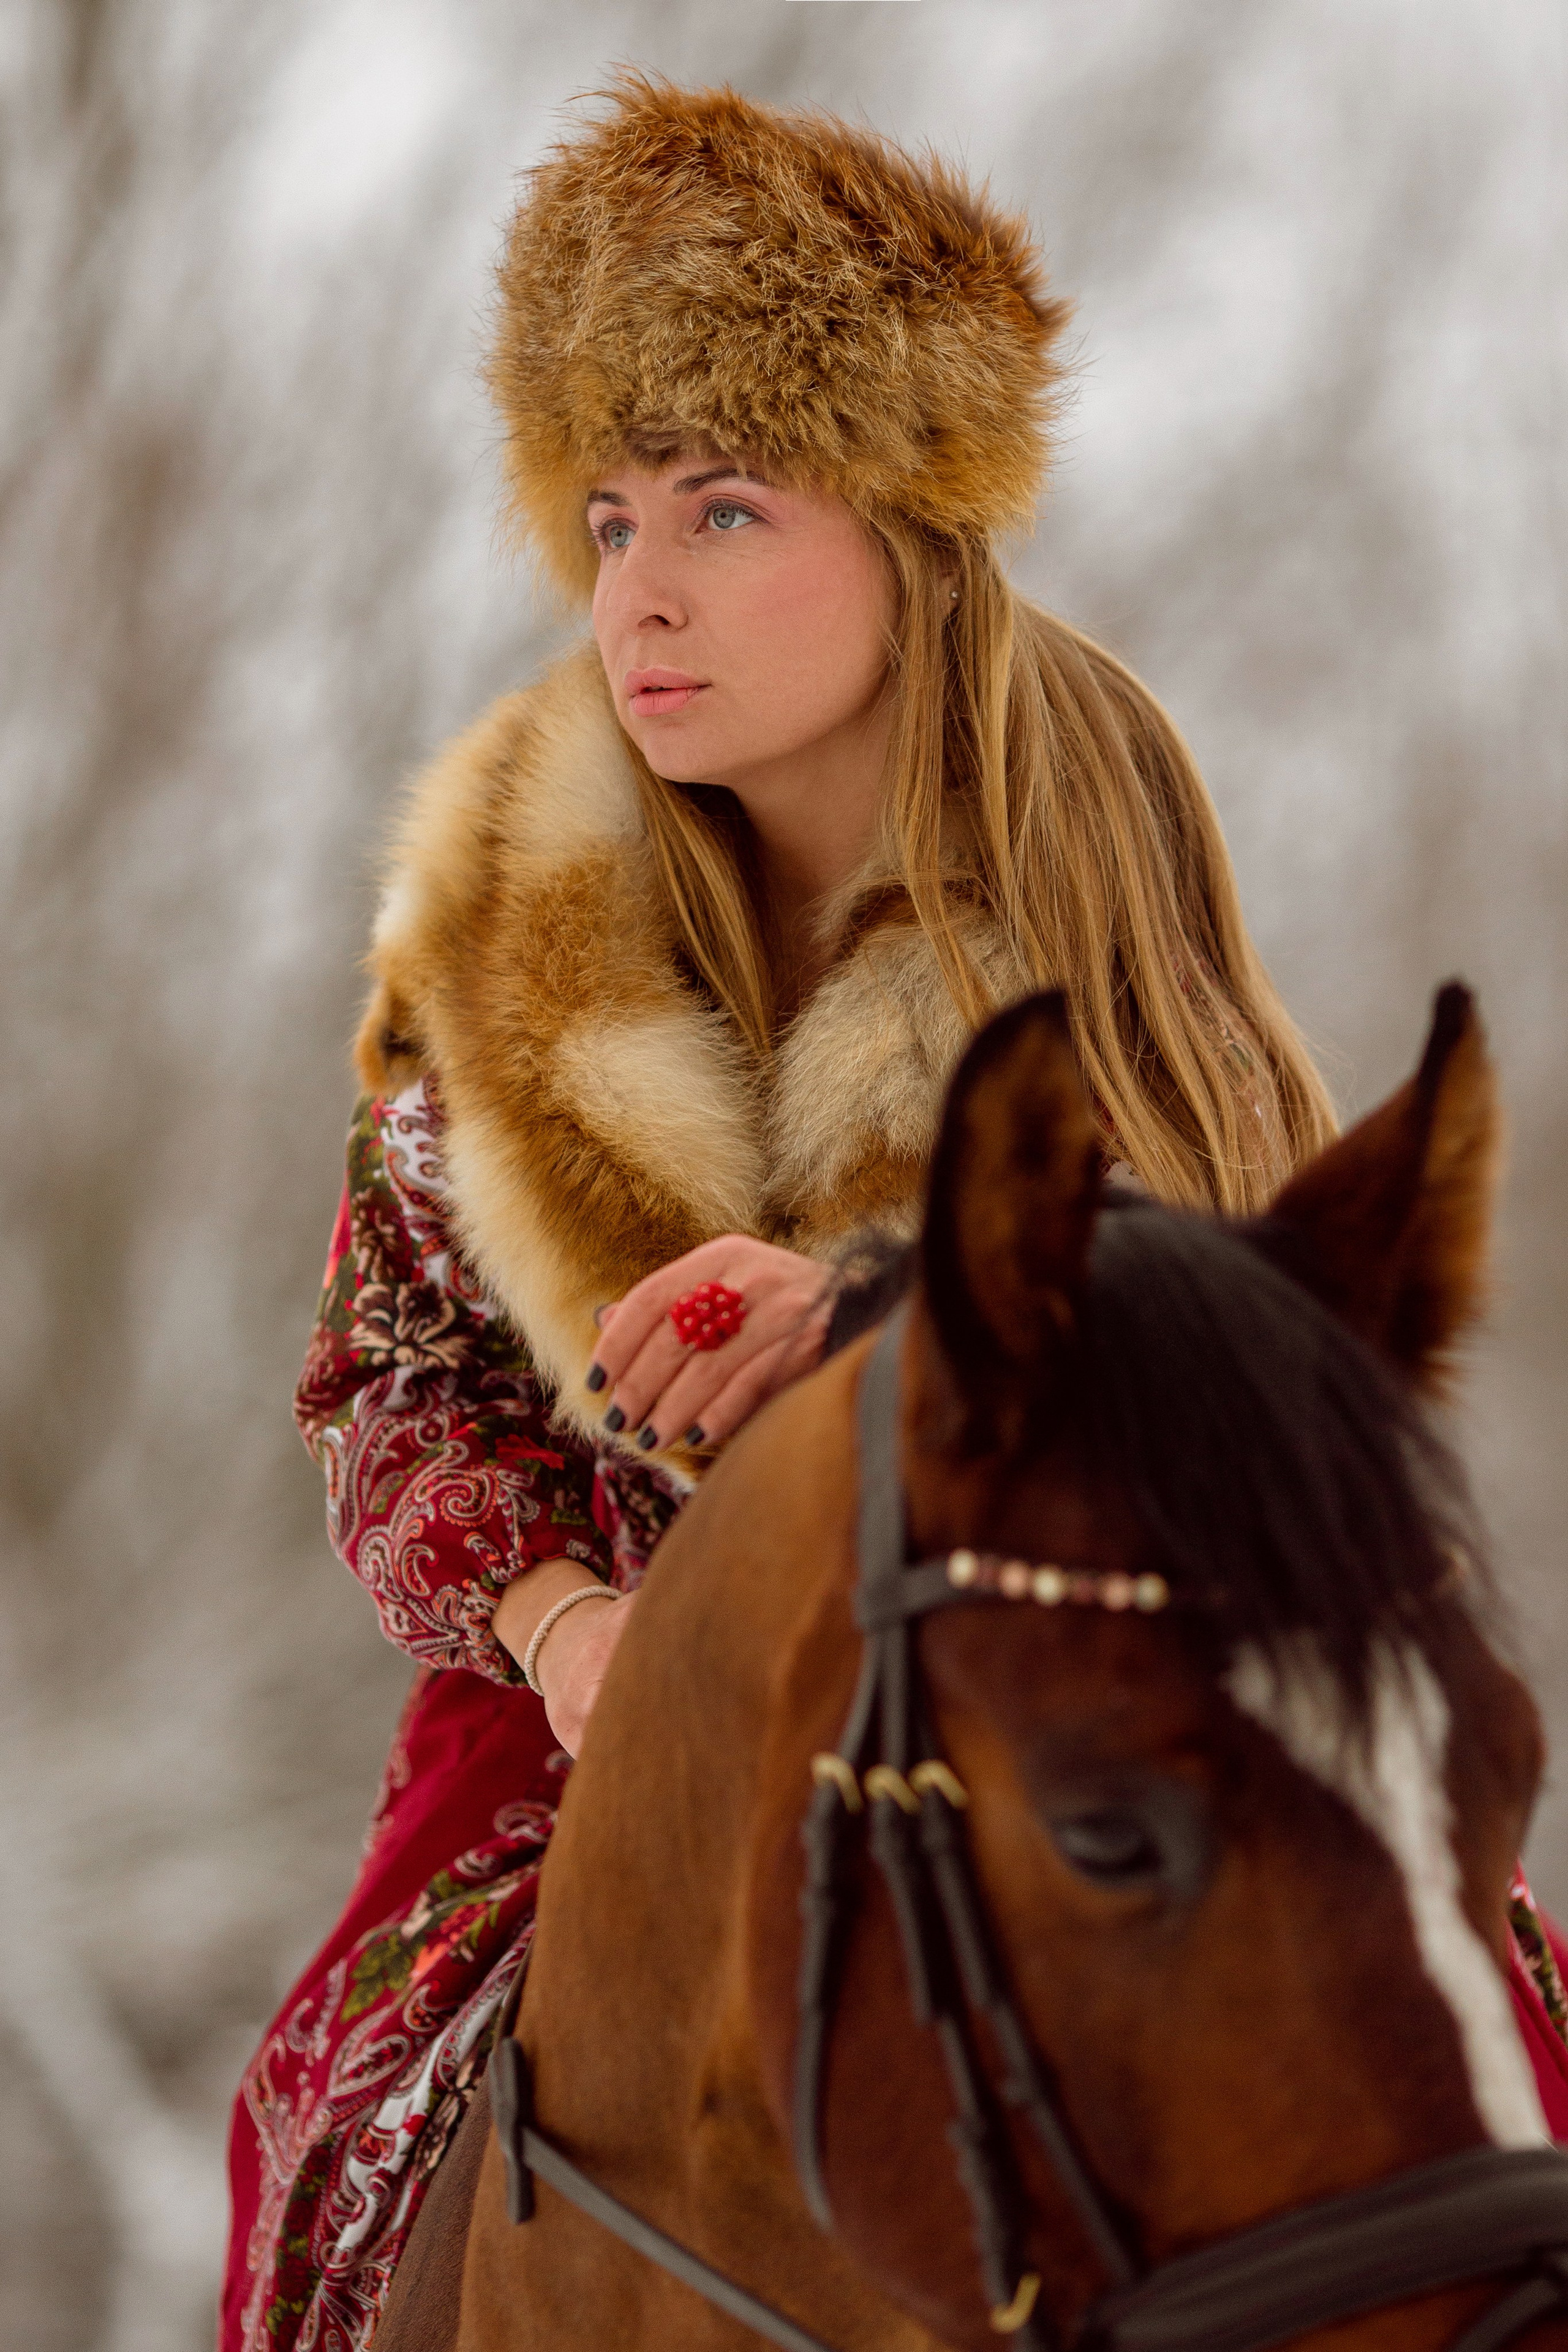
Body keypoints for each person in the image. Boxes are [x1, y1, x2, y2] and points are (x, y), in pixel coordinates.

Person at [220, 74, 1568, 2352]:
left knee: (1482, 2082)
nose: (640, 587)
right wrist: (573, 1637)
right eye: (614, 513)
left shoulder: (1104, 874)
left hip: (1079, 1690)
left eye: (727, 508)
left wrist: (877, 1312)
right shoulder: (498, 933)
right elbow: (384, 1388)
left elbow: (1243, 1352)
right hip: (586, 1752)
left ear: (914, 523)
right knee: (334, 2141)